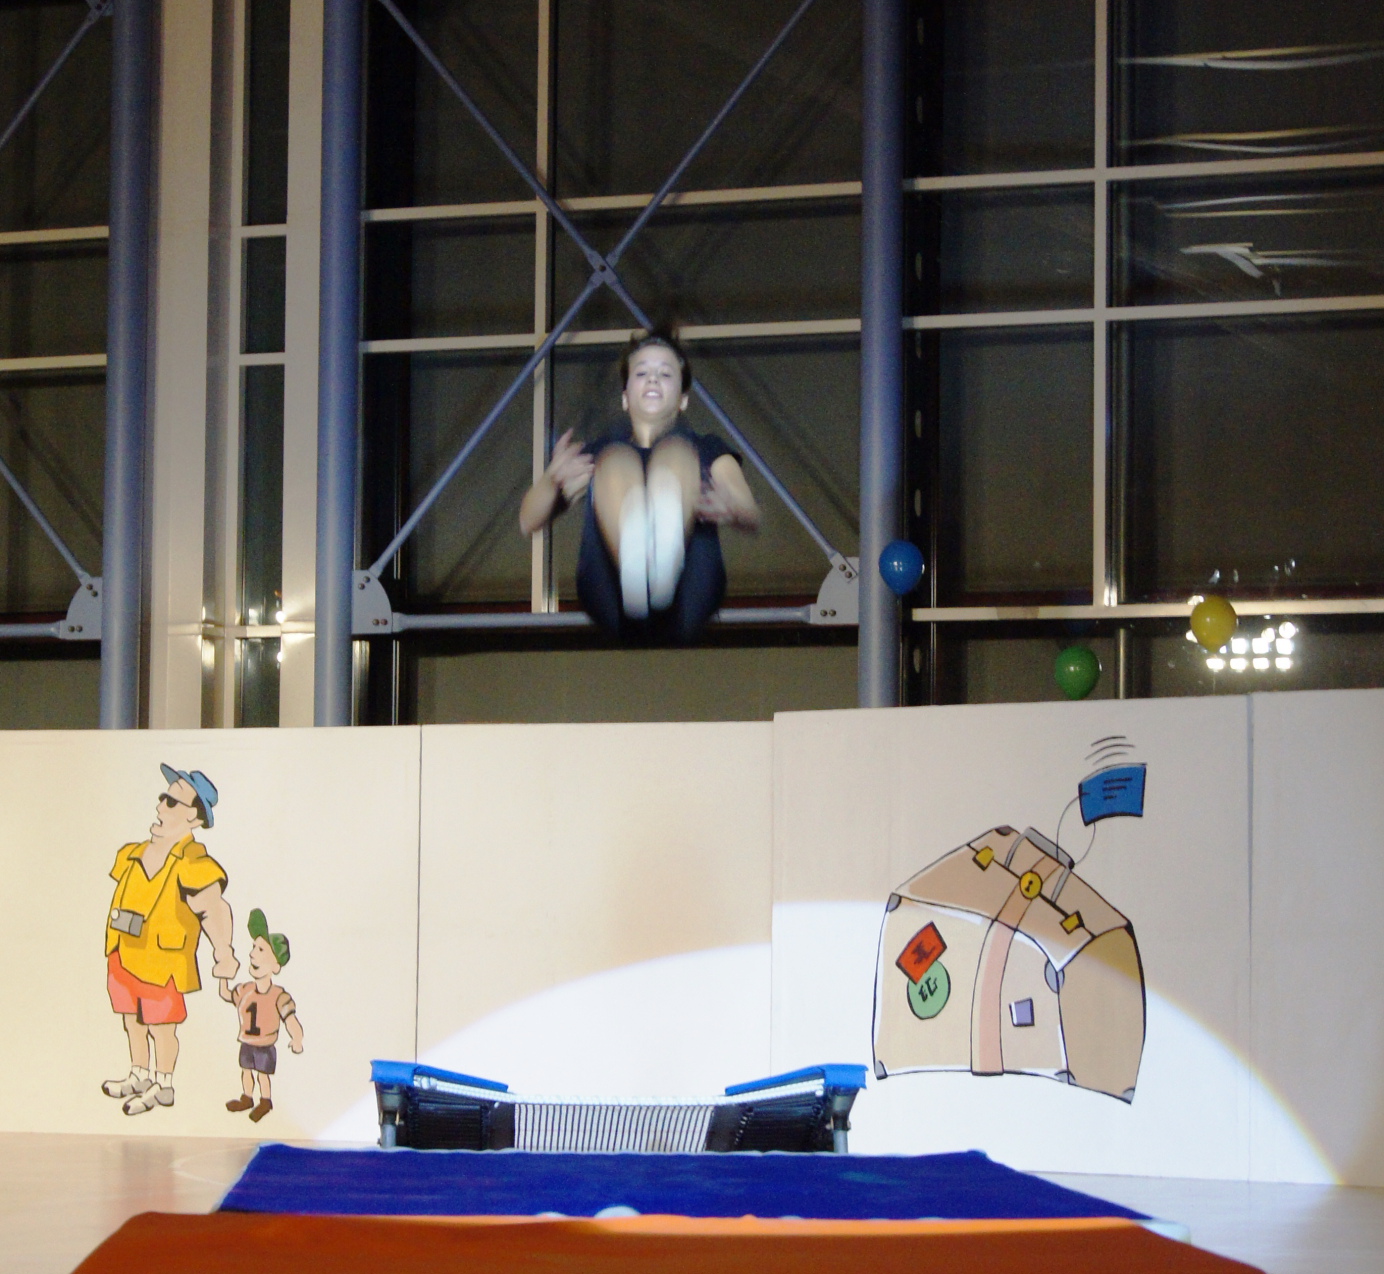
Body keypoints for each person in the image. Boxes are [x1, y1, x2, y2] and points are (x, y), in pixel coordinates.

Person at [519, 331, 759, 642]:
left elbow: (750, 510)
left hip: (688, 595)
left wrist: (735, 509)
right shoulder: (600, 453)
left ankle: (665, 554)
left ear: (683, 399)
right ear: (625, 397)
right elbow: (528, 520)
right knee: (616, 458)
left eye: (665, 374)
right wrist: (552, 481)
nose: (653, 379)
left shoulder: (706, 449)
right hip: (613, 595)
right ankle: (634, 556)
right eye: (642, 373)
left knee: (676, 451)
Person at [102, 764, 238, 1116]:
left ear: (194, 817)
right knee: (132, 1020)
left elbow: (214, 910)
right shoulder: (131, 854)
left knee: (161, 1027)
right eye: (163, 798)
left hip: (163, 961)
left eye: (172, 801)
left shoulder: (194, 863)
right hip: (123, 952)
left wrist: (224, 955)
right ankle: (139, 1074)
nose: (161, 806)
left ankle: (163, 1084)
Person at [220, 908, 304, 1123]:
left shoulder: (278, 996)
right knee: (246, 1070)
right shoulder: (245, 989)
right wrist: (223, 975)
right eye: (253, 948)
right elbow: (226, 994)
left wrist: (297, 1038)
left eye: (260, 950)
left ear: (275, 966)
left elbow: (290, 1019)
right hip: (247, 1041)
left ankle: (265, 1101)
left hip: (265, 1045)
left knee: (262, 1074)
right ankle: (247, 1097)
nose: (252, 954)